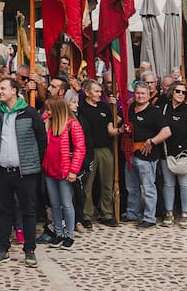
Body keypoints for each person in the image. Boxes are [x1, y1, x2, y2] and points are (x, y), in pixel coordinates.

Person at [0, 76, 47, 267]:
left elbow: (41, 139)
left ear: (14, 91)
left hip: (25, 172)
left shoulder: (29, 113)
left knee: (28, 210)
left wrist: (33, 161)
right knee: (3, 210)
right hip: (2, 171)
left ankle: (29, 249)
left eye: (3, 88)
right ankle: (2, 248)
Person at [124, 83, 169, 228]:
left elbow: (166, 132)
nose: (140, 96)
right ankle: (133, 214)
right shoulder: (130, 108)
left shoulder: (154, 112)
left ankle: (150, 218)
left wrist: (152, 141)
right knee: (132, 187)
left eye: (143, 93)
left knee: (148, 188)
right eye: (137, 93)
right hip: (130, 154)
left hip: (146, 156)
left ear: (149, 95)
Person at [42, 96, 85, 249]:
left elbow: (80, 148)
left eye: (49, 109)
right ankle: (58, 232)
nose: (47, 112)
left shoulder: (72, 125)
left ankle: (69, 235)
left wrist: (73, 170)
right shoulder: (49, 123)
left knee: (67, 204)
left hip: (65, 171)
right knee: (54, 204)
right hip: (50, 170)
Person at [77, 79, 118, 227]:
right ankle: (86, 214)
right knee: (88, 184)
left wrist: (120, 129)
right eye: (96, 91)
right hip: (89, 150)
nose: (99, 94)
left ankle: (106, 213)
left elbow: (110, 129)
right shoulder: (81, 108)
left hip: (105, 148)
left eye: (100, 91)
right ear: (87, 92)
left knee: (107, 183)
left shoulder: (104, 107)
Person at [159, 82, 187, 227]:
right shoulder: (164, 108)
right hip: (165, 152)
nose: (181, 94)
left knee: (185, 184)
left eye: (184, 92)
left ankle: (184, 213)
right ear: (172, 92)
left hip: (183, 153)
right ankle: (169, 212)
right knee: (168, 184)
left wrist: (182, 146)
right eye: (178, 91)